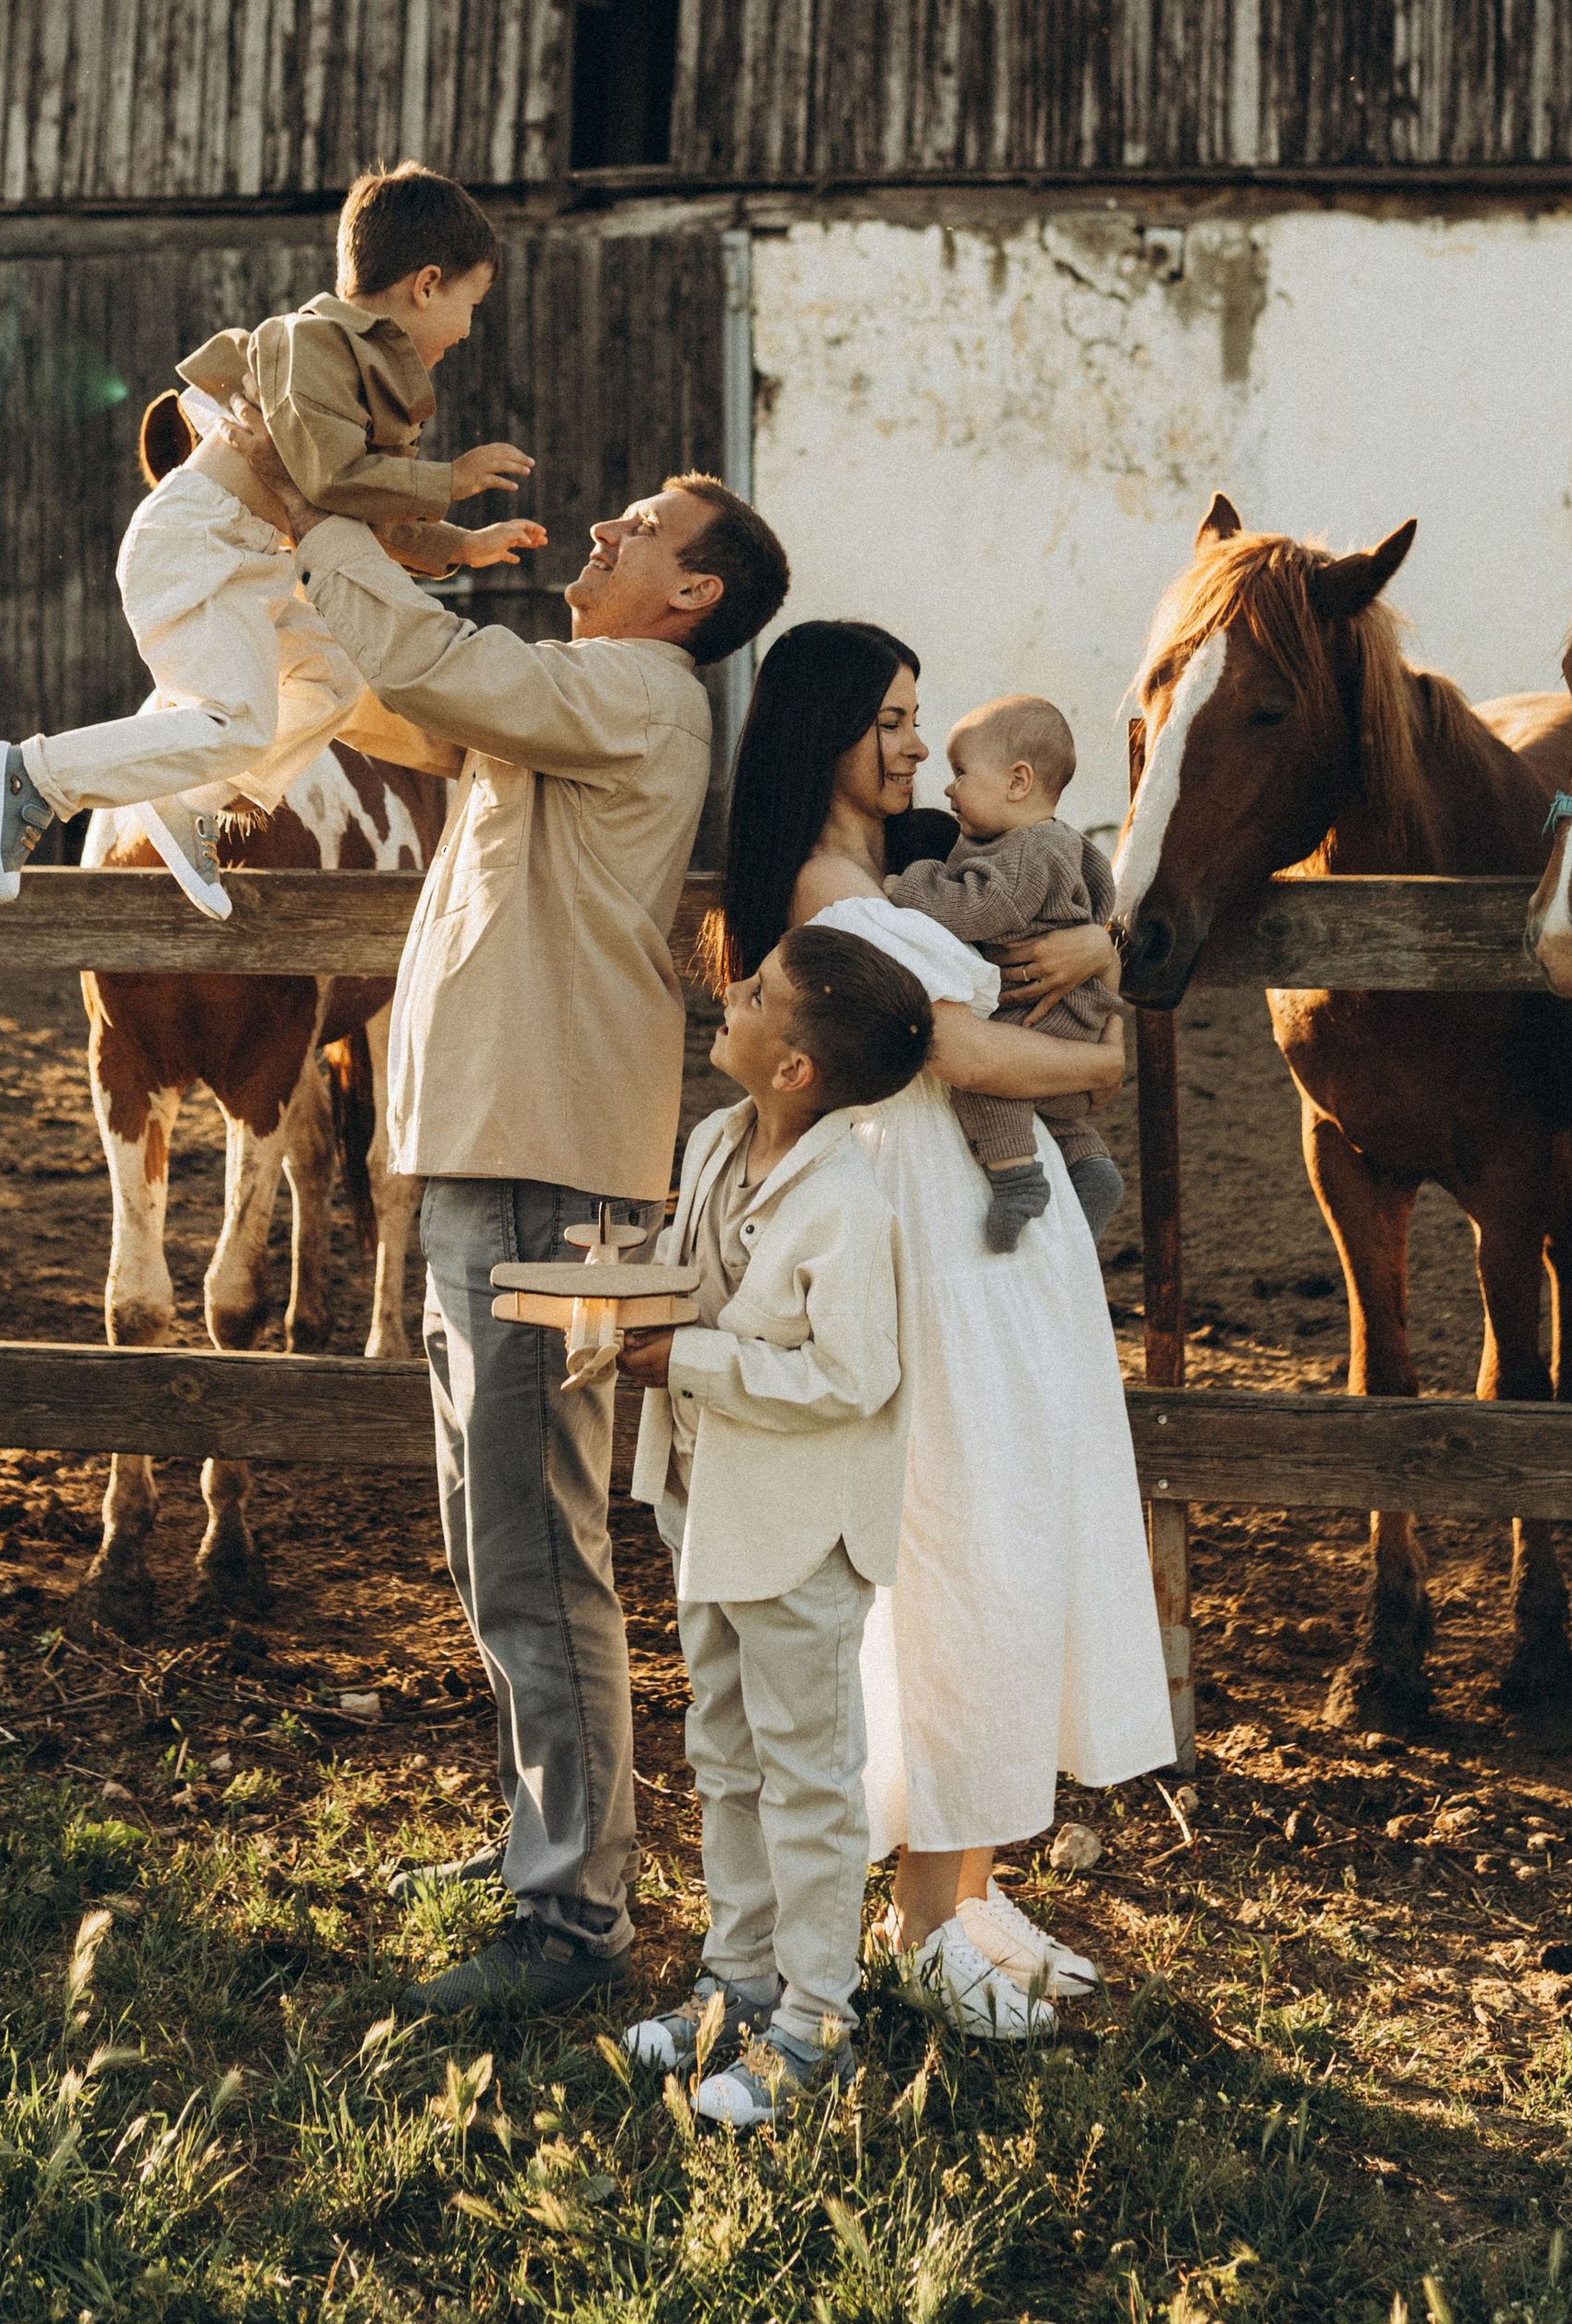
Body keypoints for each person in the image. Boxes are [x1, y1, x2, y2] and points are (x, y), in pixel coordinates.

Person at [228, 402, 789, 2014]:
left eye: (639, 529)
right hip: (501, 1153)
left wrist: (322, 515)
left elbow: (447, 676)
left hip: (555, 1172)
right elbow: (407, 702)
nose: (602, 533)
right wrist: (311, 577)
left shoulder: (632, 690)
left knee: (541, 1545)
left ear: (689, 598)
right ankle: (551, 1842)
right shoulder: (571, 705)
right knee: (502, 1534)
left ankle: (575, 1920)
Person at [714, 620, 1177, 2037]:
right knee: (962, 1548)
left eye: (923, 719)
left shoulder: (909, 870)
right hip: (926, 1234)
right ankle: (925, 1916)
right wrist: (1104, 1050)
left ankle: (969, 1884)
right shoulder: (819, 891)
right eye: (895, 719)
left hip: (994, 1238)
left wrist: (1100, 931)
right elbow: (957, 1048)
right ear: (830, 729)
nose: (919, 745)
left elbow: (1053, 901)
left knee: (1015, 1536)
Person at [0, 162, 540, 916]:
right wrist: (452, 478)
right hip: (196, 544)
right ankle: (38, 774)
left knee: (334, 673)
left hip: (247, 561)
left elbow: (376, 518)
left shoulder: (376, 380)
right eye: (473, 302)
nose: (471, 328)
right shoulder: (311, 346)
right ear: (428, 283)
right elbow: (332, 477)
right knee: (236, 720)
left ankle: (197, 801)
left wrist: (462, 545)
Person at [616, 922, 930, 2129]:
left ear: (794, 1066)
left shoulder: (850, 1199)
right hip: (706, 1503)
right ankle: (736, 1981)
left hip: (799, 1528)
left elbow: (852, 1378)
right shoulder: (713, 1142)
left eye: (752, 994)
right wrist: (618, 1306)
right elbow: (697, 1285)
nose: (728, 996)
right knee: (725, 1750)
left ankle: (816, 2020)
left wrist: (687, 1357)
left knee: (806, 1771)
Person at [885, 691, 1126, 1252]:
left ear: (1018, 782)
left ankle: (1016, 1180)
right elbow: (1103, 898)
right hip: (1077, 1011)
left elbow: (977, 908)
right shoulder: (1063, 841)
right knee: (1046, 1106)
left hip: (1043, 1011)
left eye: (961, 772)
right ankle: (1091, 1166)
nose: (949, 788)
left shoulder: (1025, 851)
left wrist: (910, 886)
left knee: (991, 1082)